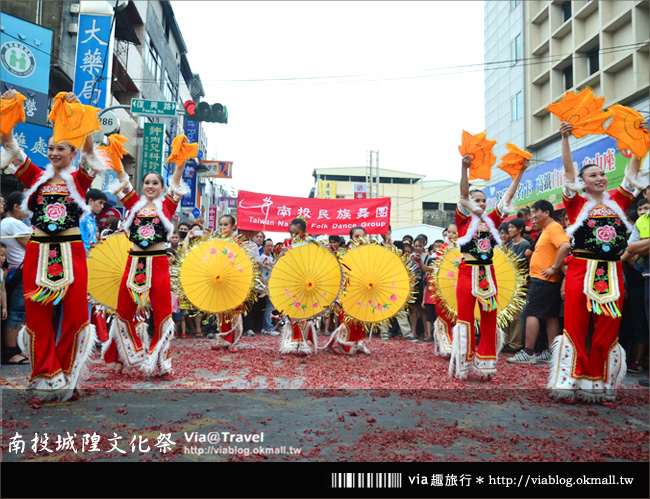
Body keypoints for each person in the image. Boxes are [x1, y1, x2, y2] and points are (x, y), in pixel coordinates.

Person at [1, 89, 108, 404]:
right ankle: (46, 376)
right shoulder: (35, 177)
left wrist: (78, 119)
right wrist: (8, 111)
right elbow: (9, 145)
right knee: (37, 316)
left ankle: (67, 376)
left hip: (72, 252)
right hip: (38, 251)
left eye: (60, 148)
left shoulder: (79, 180)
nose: (52, 153)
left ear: (71, 153)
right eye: (49, 148)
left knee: (75, 316)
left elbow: (91, 151)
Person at [547, 120, 647, 406]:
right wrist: (565, 139)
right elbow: (567, 171)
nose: (601, 178)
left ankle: (599, 383)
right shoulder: (576, 204)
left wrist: (640, 138)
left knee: (608, 327)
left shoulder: (617, 199)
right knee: (576, 326)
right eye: (593, 175)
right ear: (584, 182)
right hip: (581, 269)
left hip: (612, 271)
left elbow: (633, 171)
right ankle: (568, 383)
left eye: (603, 174)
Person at [103, 135, 192, 375]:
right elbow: (122, 177)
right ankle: (123, 356)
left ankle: (160, 362)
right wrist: (114, 157)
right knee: (123, 311)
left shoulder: (167, 206)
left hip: (159, 264)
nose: (150, 186)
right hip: (134, 264)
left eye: (155, 183)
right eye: (147, 183)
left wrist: (181, 161)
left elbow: (176, 179)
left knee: (163, 314)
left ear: (162, 188)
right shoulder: (134, 203)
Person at [451, 154, 528, 380]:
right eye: (477, 200)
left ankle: (485, 366)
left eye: (484, 200)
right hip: (467, 272)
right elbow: (463, 194)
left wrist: (520, 173)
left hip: (488, 273)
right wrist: (463, 168)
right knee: (465, 319)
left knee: (489, 318)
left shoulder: (493, 219)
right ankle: (463, 366)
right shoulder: (463, 220)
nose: (482, 203)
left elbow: (509, 196)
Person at [508, 200, 570, 365]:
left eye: (535, 212)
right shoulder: (547, 230)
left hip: (544, 279)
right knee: (550, 315)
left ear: (547, 213)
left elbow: (565, 246)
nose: (533, 216)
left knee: (532, 313)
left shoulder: (554, 228)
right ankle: (551, 351)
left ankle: (528, 352)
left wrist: (554, 267)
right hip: (545, 279)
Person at [279, 218, 319, 354]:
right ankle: (294, 342)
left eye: (296, 233)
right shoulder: (286, 244)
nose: (293, 236)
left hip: (307, 283)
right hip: (291, 283)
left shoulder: (311, 244)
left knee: (305, 312)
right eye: (291, 233)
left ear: (304, 232)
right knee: (293, 312)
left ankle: (302, 342)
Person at [0, 191, 32, 365]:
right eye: (26, 205)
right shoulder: (13, 223)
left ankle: (16, 350)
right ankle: (12, 352)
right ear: (16, 206)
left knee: (18, 311)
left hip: (16, 270)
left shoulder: (7, 222)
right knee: (18, 311)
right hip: (22, 270)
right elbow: (31, 245)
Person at [501, 217, 530, 353]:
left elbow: (520, 265)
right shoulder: (508, 244)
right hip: (508, 283)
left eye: (512, 227)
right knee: (506, 314)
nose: (509, 230)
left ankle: (515, 344)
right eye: (509, 228)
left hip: (520, 284)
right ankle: (506, 341)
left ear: (520, 229)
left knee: (516, 316)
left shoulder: (524, 245)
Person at [432, 223, 459, 356]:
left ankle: (457, 344)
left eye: (454, 232)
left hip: (458, 287)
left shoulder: (464, 248)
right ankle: (446, 345)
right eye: (449, 232)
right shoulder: (442, 248)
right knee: (443, 315)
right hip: (443, 287)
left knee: (458, 316)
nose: (450, 235)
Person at [259, 238, 278, 336]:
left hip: (270, 284)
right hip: (266, 284)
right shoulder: (263, 258)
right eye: (268, 246)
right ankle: (268, 327)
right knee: (269, 306)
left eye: (271, 246)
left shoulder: (271, 257)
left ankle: (265, 326)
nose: (270, 247)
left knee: (269, 306)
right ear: (263, 247)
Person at [80, 188, 107, 252]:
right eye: (100, 203)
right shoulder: (82, 217)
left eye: (103, 204)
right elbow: (81, 239)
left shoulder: (92, 219)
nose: (102, 206)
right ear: (90, 200)